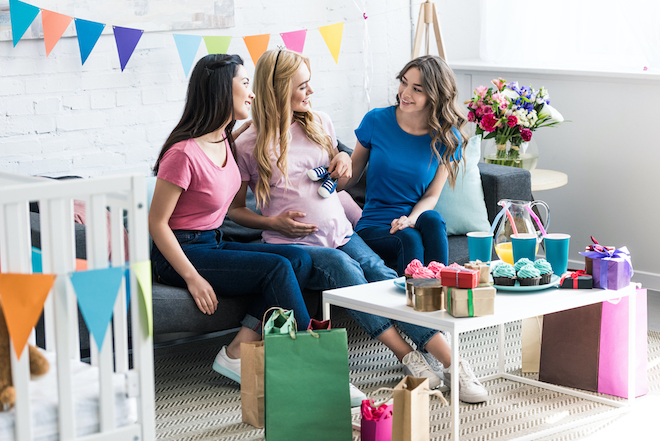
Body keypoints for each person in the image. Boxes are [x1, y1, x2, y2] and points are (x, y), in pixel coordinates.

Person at [229, 49, 484, 404]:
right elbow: (235, 210)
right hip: (300, 247)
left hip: (344, 234)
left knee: (384, 277)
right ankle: (408, 357)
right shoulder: (247, 143)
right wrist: (272, 222)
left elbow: (338, 175)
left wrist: (344, 158)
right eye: (303, 85)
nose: (311, 92)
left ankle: (453, 362)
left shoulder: (318, 121)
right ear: (280, 88)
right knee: (351, 276)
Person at [149, 54, 313, 385]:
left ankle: (237, 351)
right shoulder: (182, 154)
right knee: (277, 268)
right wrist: (193, 278)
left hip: (213, 241)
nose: (251, 94)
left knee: (298, 258)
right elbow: (157, 223)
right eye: (245, 84)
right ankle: (313, 361)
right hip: (182, 252)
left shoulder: (225, 138)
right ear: (223, 90)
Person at [340, 55, 488, 403]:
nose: (405, 92)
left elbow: (432, 196)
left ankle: (438, 331)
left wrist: (411, 216)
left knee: (432, 221)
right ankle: (441, 347)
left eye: (417, 88)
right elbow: (351, 176)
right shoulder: (376, 121)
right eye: (403, 82)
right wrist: (329, 168)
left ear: (434, 96)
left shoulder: (445, 136)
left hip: (413, 219)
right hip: (376, 224)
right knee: (408, 235)